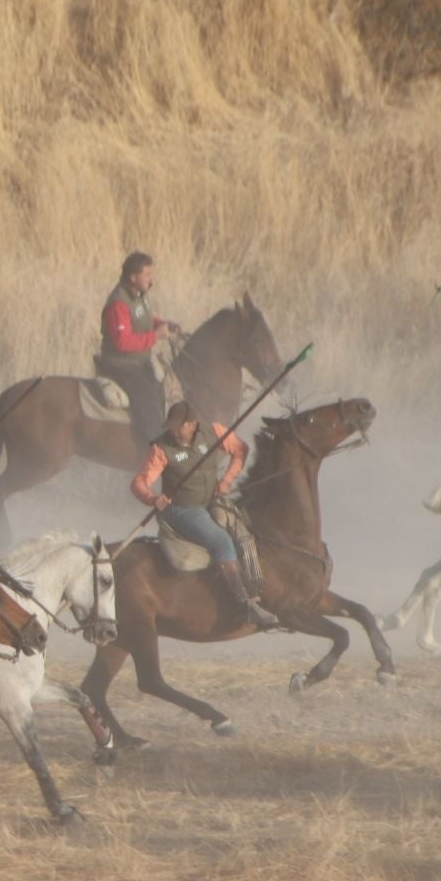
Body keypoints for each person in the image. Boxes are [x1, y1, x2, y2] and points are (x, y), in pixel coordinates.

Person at [132, 402, 278, 630]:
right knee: (221, 542)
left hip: (211, 501)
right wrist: (152, 498)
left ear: (191, 425)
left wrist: (227, 480)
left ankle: (256, 585)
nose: (172, 430)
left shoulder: (214, 432)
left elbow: (240, 450)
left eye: (177, 426)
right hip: (182, 510)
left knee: (244, 530)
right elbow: (139, 482)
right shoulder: (162, 449)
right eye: (170, 426)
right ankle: (244, 606)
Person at [98, 252, 182, 443]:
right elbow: (122, 342)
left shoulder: (139, 295)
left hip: (140, 361)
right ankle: (155, 448)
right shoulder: (118, 303)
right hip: (121, 364)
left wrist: (163, 324)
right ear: (133, 277)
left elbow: (144, 320)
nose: (151, 280)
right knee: (150, 398)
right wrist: (156, 336)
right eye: (147, 275)